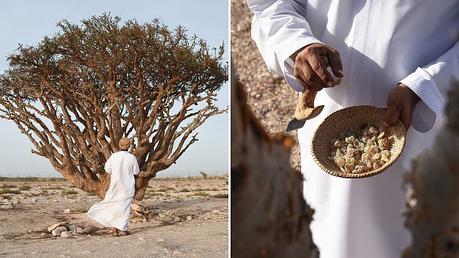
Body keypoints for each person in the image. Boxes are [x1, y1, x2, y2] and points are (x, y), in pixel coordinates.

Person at [248, 1, 458, 257]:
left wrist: (428, 84)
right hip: (331, 132)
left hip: (425, 121)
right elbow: (273, 6)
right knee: (335, 238)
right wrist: (297, 44)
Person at [87, 137, 140, 236]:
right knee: (124, 207)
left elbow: (107, 169)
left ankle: (114, 229)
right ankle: (123, 229)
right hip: (127, 186)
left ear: (119, 145)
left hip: (115, 185)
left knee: (112, 204)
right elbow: (136, 171)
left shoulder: (114, 156)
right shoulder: (131, 157)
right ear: (129, 146)